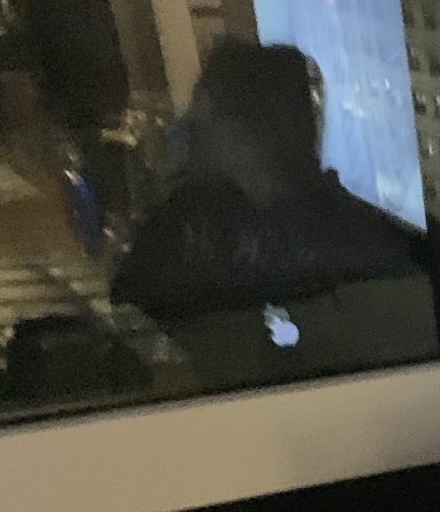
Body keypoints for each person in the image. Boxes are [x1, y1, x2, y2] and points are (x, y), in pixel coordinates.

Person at [110, 42, 421, 320]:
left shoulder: (189, 237)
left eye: (204, 109)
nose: (188, 124)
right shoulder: (362, 233)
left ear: (247, 132)